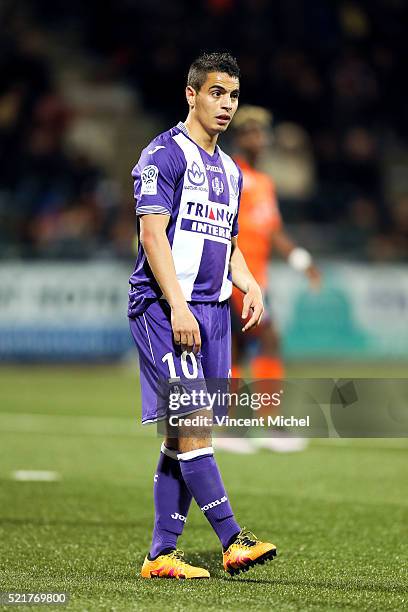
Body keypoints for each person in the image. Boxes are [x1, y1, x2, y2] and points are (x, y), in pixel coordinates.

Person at [128, 53, 277, 580]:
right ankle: (234, 539)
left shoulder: (232, 171)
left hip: (212, 312)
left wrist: (250, 282)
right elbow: (152, 234)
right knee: (193, 424)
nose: (227, 105)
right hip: (167, 309)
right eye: (217, 93)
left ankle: (161, 555)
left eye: (233, 96)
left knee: (181, 435)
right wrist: (177, 306)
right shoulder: (163, 155)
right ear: (192, 94)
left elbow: (228, 241)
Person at [217, 105, 321, 454]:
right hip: (234, 276)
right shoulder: (229, 172)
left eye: (261, 132)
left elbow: (272, 228)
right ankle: (258, 425)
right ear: (240, 137)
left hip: (257, 279)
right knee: (263, 340)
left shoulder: (264, 182)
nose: (256, 138)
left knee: (242, 347)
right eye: (249, 132)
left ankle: (236, 426)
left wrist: (299, 258)